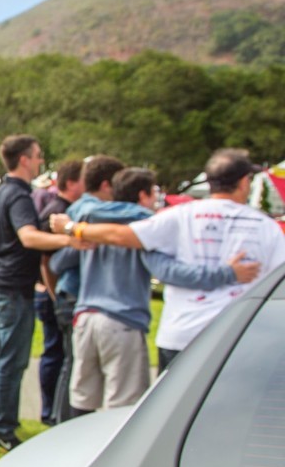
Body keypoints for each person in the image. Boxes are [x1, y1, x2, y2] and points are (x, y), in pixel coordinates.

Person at [51, 148, 285, 374]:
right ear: (244, 182)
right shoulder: (266, 226)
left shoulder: (180, 216)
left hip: (181, 334)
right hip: (238, 336)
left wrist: (72, 228)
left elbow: (122, 235)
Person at [48, 167, 258, 415]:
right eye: (154, 193)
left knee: (81, 401)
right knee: (123, 408)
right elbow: (168, 271)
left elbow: (57, 263)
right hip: (122, 318)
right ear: (142, 195)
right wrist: (227, 273)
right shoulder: (143, 229)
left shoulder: (94, 223)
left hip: (86, 317)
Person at [0, 135, 89, 452]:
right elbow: (28, 237)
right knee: (11, 363)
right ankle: (2, 429)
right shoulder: (19, 196)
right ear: (25, 160)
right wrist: (71, 239)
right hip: (13, 290)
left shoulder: (3, 192)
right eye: (38, 156)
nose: (41, 161)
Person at [44, 155, 125, 424]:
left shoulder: (78, 210)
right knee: (75, 369)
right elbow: (57, 261)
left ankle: (63, 424)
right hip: (76, 296)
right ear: (106, 185)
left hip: (75, 297)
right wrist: (81, 238)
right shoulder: (90, 212)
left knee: (74, 366)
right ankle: (64, 427)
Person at [35, 160, 84, 425]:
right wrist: (54, 295)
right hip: (51, 293)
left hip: (53, 292)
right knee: (57, 355)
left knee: (59, 355)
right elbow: (46, 260)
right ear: (71, 183)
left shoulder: (63, 210)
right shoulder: (57, 212)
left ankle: (53, 410)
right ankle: (51, 412)